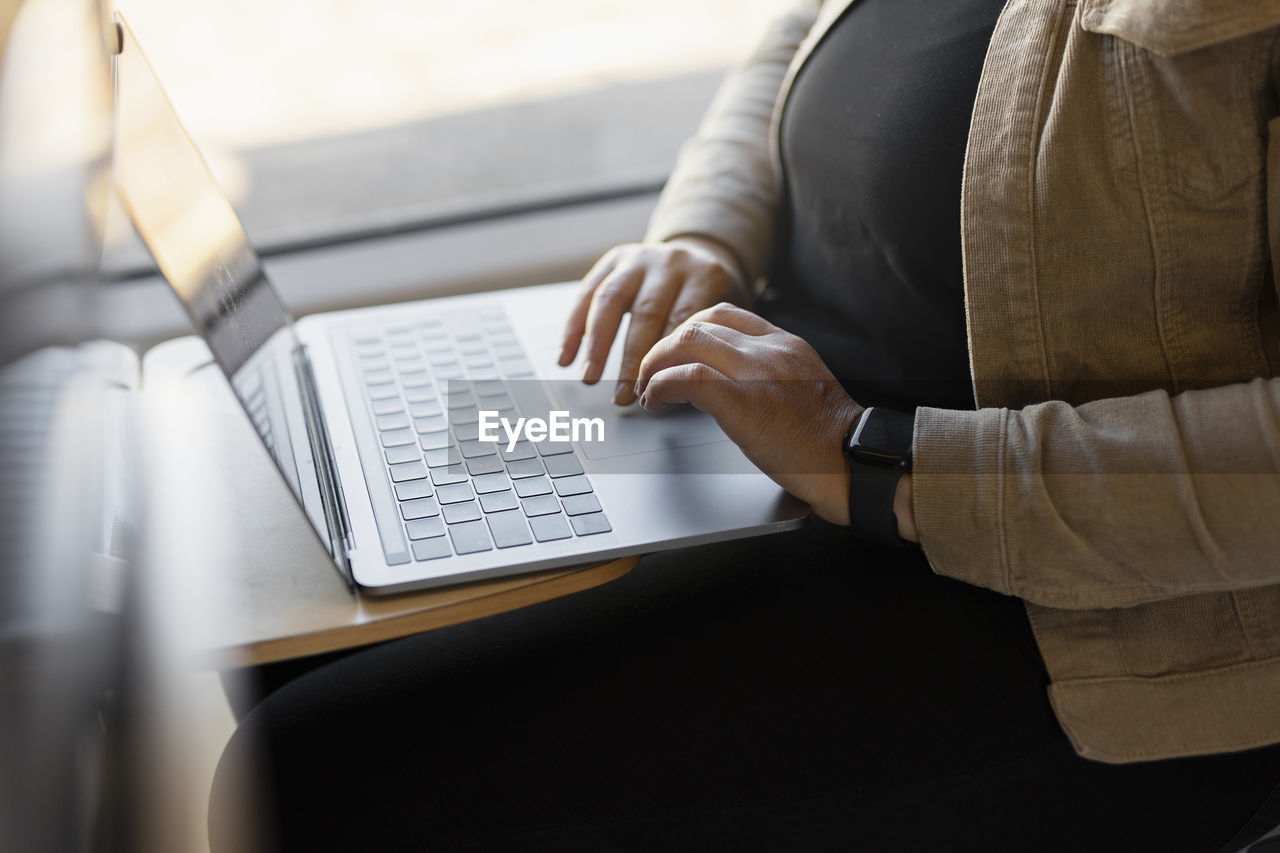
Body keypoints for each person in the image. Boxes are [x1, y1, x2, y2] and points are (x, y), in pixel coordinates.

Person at [211, 1, 1280, 850]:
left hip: (1066, 625)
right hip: (782, 448)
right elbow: (802, 38)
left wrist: (874, 458)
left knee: (308, 772)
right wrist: (701, 233)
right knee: (302, 598)